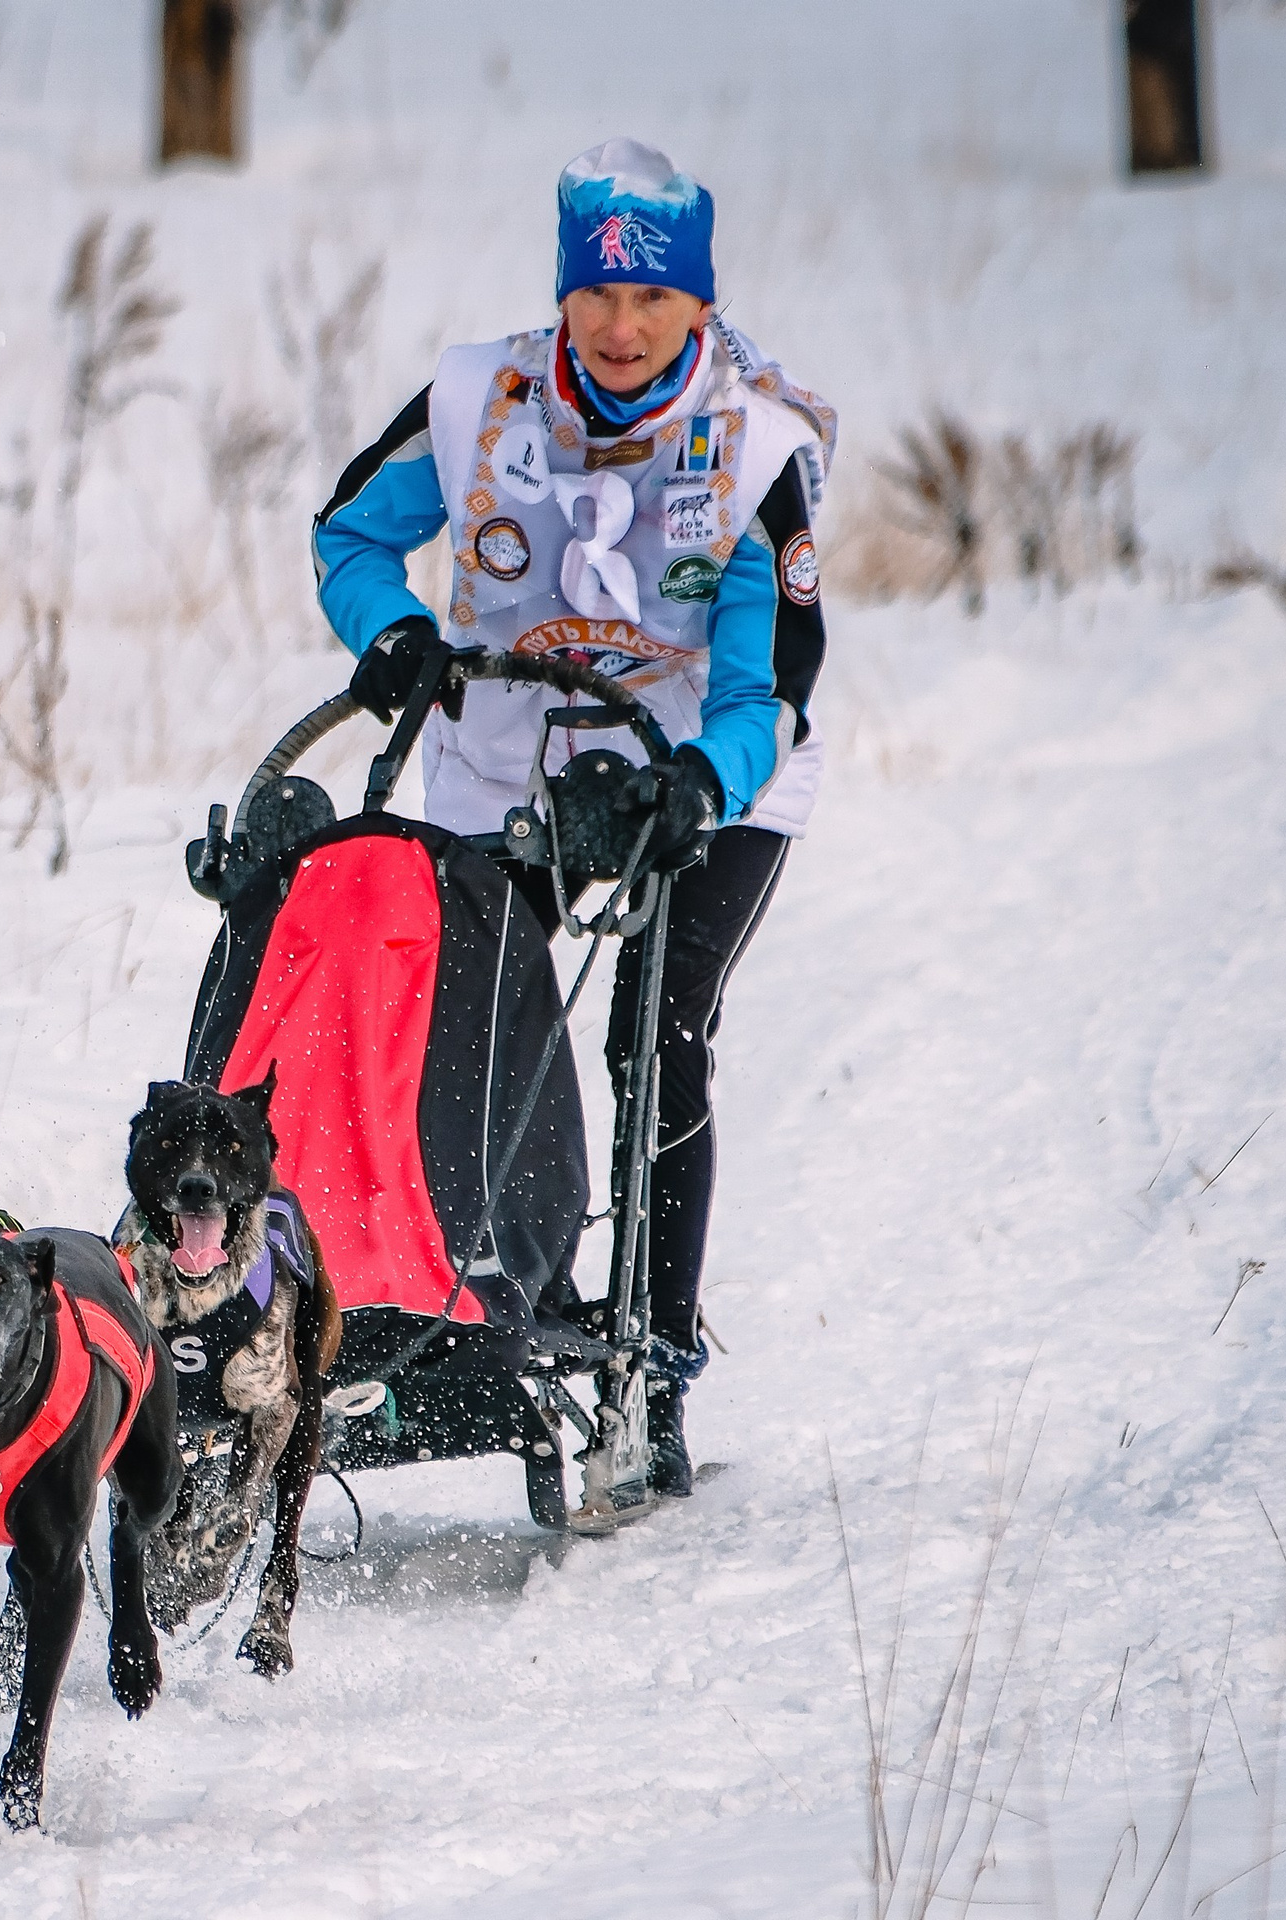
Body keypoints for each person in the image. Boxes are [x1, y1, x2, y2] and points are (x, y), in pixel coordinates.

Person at [307, 137, 836, 1497]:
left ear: (698, 310)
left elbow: (766, 681)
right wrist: (394, 637)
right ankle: (445, 1319)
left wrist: (692, 788)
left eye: (651, 301)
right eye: (594, 298)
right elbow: (349, 538)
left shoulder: (757, 447)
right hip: (504, 758)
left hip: (707, 774)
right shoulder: (477, 397)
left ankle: (651, 1365)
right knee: (458, 1018)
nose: (617, 327)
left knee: (654, 1029)